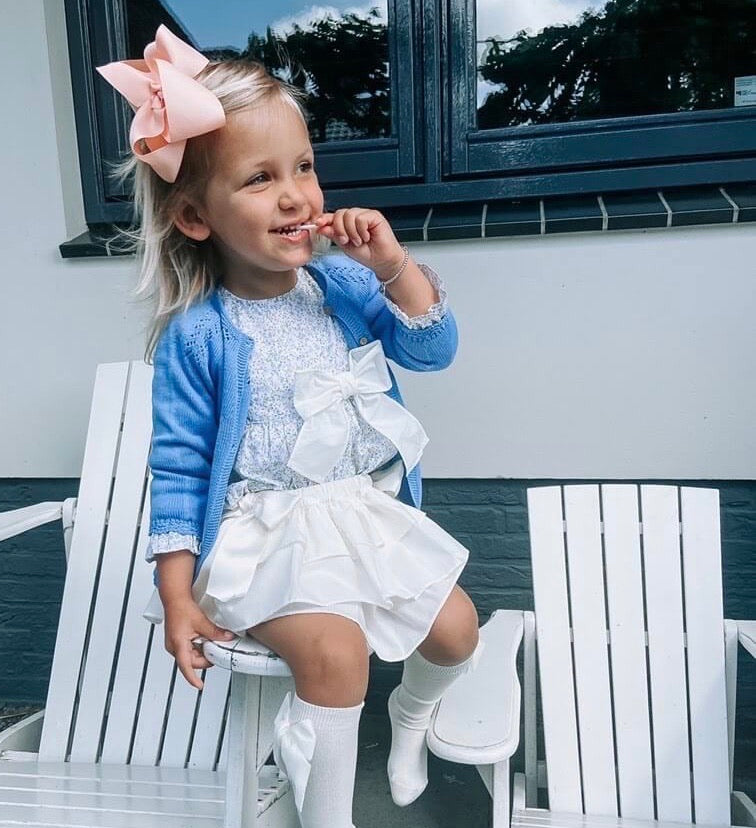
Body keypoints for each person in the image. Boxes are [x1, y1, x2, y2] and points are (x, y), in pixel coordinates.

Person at [97, 25, 480, 828]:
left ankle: (412, 718)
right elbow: (176, 468)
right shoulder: (200, 335)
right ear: (197, 218)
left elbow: (433, 350)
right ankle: (329, 815)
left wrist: (394, 268)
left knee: (456, 631)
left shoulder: (339, 284)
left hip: (359, 517)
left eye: (304, 167)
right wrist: (175, 595)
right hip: (262, 533)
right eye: (261, 179)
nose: (297, 195)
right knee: (336, 653)